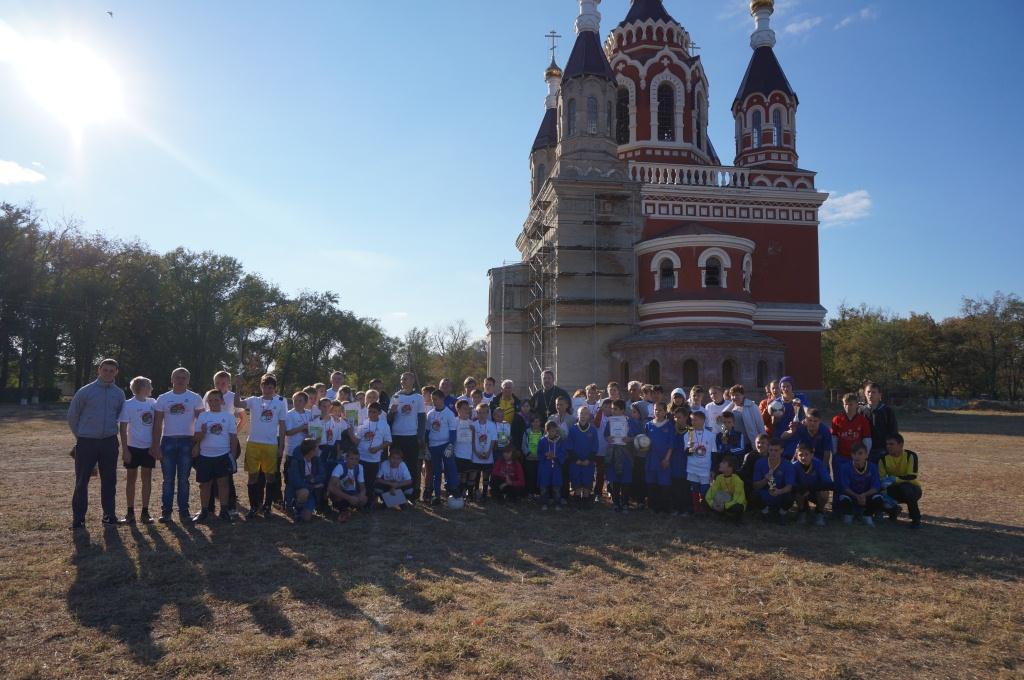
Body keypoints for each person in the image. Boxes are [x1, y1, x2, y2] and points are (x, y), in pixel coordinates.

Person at [67, 358, 126, 529]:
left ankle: (109, 516)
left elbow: (121, 417)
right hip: (86, 442)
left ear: (116, 372)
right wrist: (81, 437)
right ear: (99, 370)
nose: (108, 373)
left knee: (109, 481)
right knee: (82, 481)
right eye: (105, 369)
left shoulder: (119, 393)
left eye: (111, 370)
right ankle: (78, 519)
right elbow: (72, 416)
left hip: (109, 442)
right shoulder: (85, 391)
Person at [152, 367, 205, 523]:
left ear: (188, 380)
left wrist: (197, 444)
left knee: (184, 479)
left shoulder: (195, 398)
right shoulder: (162, 398)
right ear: (172, 379)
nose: (180, 380)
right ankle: (166, 513)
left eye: (183, 377)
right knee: (167, 480)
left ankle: (184, 512)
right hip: (167, 441)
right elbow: (157, 424)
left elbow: (201, 423)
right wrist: (155, 445)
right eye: (177, 377)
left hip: (187, 442)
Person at [190, 389, 238, 524]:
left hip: (223, 455)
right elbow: (196, 437)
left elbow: (233, 438)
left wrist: (232, 456)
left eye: (216, 399)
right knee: (204, 485)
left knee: (223, 484)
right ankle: (204, 511)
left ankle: (224, 510)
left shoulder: (229, 416)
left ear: (222, 401)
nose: (213, 402)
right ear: (207, 402)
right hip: (205, 456)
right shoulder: (203, 416)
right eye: (210, 400)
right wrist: (202, 433)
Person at [118, 376, 157, 524]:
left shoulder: (153, 403)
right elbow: (123, 429)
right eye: (150, 386)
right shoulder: (128, 405)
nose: (152, 389)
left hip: (149, 448)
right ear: (143, 388)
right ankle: (130, 512)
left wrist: (155, 445)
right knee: (131, 480)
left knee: (146, 479)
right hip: (133, 448)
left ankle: (145, 512)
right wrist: (125, 450)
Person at [388, 372, 426, 503]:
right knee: (395, 465)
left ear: (413, 380)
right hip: (396, 436)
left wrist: (420, 437)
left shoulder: (419, 397)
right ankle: (396, 496)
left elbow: (422, 418)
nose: (403, 381)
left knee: (412, 466)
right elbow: (389, 419)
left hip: (411, 436)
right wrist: (391, 412)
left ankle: (412, 494)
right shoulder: (396, 396)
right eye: (401, 379)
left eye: (406, 379)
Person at [878, 433, 922, 527]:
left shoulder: (911, 455)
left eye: (891, 444)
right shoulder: (883, 459)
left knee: (906, 488)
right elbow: (881, 478)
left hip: (913, 489)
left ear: (901, 445)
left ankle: (916, 519)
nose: (888, 446)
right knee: (877, 493)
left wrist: (895, 479)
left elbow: (912, 476)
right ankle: (893, 511)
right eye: (887, 444)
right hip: (894, 489)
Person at [836, 443, 884, 526]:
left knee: (878, 498)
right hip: (852, 495)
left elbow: (876, 487)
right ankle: (849, 515)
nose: (857, 456)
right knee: (843, 498)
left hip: (866, 496)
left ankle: (867, 515)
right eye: (854, 454)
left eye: (860, 453)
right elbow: (844, 487)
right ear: (851, 455)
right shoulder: (845, 467)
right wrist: (856, 496)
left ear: (866, 455)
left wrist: (864, 495)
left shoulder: (873, 467)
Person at [425, 389, 460, 504]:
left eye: (435, 399)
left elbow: (453, 432)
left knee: (451, 468)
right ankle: (437, 495)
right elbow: (427, 432)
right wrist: (426, 447)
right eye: (432, 399)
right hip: (433, 447)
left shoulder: (449, 413)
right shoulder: (430, 414)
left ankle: (454, 490)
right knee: (436, 472)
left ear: (442, 399)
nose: (434, 401)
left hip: (445, 445)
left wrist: (450, 446)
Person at [355, 402, 391, 508]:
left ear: (379, 413)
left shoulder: (384, 425)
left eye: (374, 412)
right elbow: (357, 440)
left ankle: (369, 503)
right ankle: (360, 502)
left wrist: (377, 448)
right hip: (361, 458)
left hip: (374, 460)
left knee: (370, 482)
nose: (371, 414)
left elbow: (388, 441)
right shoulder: (363, 423)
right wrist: (349, 431)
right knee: (360, 481)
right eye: (369, 411)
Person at [603, 399, 636, 512]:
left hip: (626, 454)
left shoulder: (630, 422)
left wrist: (629, 439)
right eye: (612, 408)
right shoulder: (609, 422)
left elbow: (637, 437)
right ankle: (616, 503)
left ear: (622, 410)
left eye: (615, 409)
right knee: (614, 479)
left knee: (625, 479)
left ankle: (625, 503)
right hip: (613, 453)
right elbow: (606, 435)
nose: (613, 411)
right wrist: (608, 438)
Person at [752, 438, 795, 523]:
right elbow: (755, 485)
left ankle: (782, 513)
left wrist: (779, 491)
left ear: (782, 451)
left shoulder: (787, 464)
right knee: (754, 494)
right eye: (771, 450)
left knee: (790, 496)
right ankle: (765, 512)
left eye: (776, 450)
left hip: (780, 494)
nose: (773, 453)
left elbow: (789, 486)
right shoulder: (760, 463)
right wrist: (765, 480)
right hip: (765, 493)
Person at [791, 441, 833, 526]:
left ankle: (819, 512)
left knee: (824, 493)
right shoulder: (793, 466)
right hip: (802, 492)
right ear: (796, 455)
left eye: (806, 454)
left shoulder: (819, 464)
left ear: (812, 455)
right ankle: (802, 512)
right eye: (800, 455)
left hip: (815, 492)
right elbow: (790, 483)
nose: (803, 457)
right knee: (797, 491)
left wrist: (810, 488)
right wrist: (801, 488)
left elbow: (828, 483)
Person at [643, 402, 674, 513]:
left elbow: (671, 445)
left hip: (663, 459)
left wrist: (666, 459)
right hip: (651, 459)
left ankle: (664, 508)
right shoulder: (649, 425)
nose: (658, 412)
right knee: (652, 483)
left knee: (664, 483)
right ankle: (653, 506)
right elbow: (645, 443)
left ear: (665, 411)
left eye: (660, 410)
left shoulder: (669, 425)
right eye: (656, 409)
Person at [831, 392, 873, 474]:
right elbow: (834, 438)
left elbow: (867, 439)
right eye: (845, 404)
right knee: (840, 480)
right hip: (841, 457)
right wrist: (835, 453)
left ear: (857, 405)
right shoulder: (836, 419)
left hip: (856, 457)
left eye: (851, 404)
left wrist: (864, 455)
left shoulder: (863, 420)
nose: (848, 407)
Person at [566, 406, 599, 506]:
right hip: (576, 461)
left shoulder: (593, 430)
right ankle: (576, 498)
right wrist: (576, 460)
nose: (583, 416)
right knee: (576, 479)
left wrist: (588, 460)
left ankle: (586, 498)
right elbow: (569, 446)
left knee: (587, 479)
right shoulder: (572, 429)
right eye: (581, 414)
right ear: (577, 415)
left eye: (585, 414)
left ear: (589, 416)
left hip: (588, 462)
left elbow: (595, 447)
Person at [286, 438, 325, 522]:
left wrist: (314, 479)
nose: (319, 449)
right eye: (317, 448)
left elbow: (322, 475)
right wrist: (313, 486)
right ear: (311, 451)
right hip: (297, 491)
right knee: (304, 492)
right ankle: (295, 508)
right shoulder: (296, 461)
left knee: (306, 519)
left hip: (310, 491)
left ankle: (303, 509)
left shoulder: (317, 459)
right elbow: (296, 482)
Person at [685, 410, 714, 515]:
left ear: (702, 420)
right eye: (691, 420)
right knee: (694, 489)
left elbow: (714, 452)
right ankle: (696, 509)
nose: (692, 422)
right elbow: (687, 452)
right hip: (692, 467)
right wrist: (691, 447)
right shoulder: (689, 434)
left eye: (695, 420)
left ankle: (704, 509)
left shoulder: (711, 435)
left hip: (705, 467)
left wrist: (712, 469)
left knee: (705, 489)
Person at [861, 382, 899, 464]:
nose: (870, 394)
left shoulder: (887, 411)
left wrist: (891, 448)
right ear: (865, 393)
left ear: (879, 395)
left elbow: (893, 431)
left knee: (882, 475)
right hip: (865, 451)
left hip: (883, 450)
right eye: (868, 392)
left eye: (874, 392)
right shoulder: (860, 411)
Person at [328, 449, 367, 523]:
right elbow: (331, 487)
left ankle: (348, 509)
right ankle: (341, 509)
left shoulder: (360, 467)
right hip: (341, 493)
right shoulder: (340, 467)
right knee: (336, 486)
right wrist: (349, 498)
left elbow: (363, 487)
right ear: (346, 458)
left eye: (356, 459)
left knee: (364, 499)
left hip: (352, 492)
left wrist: (361, 495)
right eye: (351, 459)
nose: (354, 461)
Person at [470, 403, 497, 502]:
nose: (482, 415)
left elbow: (493, 440)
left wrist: (489, 453)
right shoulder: (473, 425)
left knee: (486, 475)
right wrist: (476, 453)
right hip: (475, 455)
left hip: (487, 455)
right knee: (474, 475)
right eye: (479, 413)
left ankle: (484, 494)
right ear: (476, 413)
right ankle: (474, 492)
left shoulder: (492, 425)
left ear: (488, 413)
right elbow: (471, 441)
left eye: (484, 412)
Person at [536, 421, 567, 510]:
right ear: (546, 430)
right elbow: (539, 453)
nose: (552, 432)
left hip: (556, 467)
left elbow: (563, 453)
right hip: (545, 467)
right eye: (550, 431)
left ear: (557, 431)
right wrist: (545, 455)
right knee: (544, 487)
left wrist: (555, 456)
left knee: (556, 487)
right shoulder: (542, 440)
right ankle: (544, 503)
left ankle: (557, 503)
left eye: (554, 431)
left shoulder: (560, 441)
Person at [705, 456, 746, 521]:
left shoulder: (737, 480)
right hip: (721, 503)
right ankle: (722, 514)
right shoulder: (719, 478)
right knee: (705, 502)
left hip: (731, 504)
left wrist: (724, 506)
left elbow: (738, 499)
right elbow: (711, 493)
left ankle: (729, 516)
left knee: (738, 507)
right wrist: (712, 504)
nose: (720, 463)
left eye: (723, 463)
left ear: (730, 468)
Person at [670, 405, 691, 515]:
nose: (677, 420)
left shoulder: (691, 431)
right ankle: (676, 507)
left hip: (686, 464)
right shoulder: (672, 430)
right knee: (675, 486)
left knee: (685, 487)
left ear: (686, 417)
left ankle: (686, 508)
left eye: (679, 417)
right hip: (674, 463)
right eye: (675, 417)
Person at [714, 411, 748, 475]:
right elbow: (717, 450)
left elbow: (741, 449)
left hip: (735, 464)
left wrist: (728, 447)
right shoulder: (718, 436)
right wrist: (723, 445)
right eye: (724, 422)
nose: (726, 425)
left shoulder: (739, 434)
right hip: (722, 464)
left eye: (729, 422)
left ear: (733, 423)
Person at [521, 413, 544, 499]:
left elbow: (545, 444)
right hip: (529, 458)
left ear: (540, 422)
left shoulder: (543, 432)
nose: (535, 423)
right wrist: (528, 454)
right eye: (533, 422)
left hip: (539, 459)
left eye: (537, 422)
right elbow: (523, 445)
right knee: (530, 476)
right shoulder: (527, 432)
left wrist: (540, 455)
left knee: (538, 475)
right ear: (531, 423)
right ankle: (530, 492)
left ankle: (537, 492)